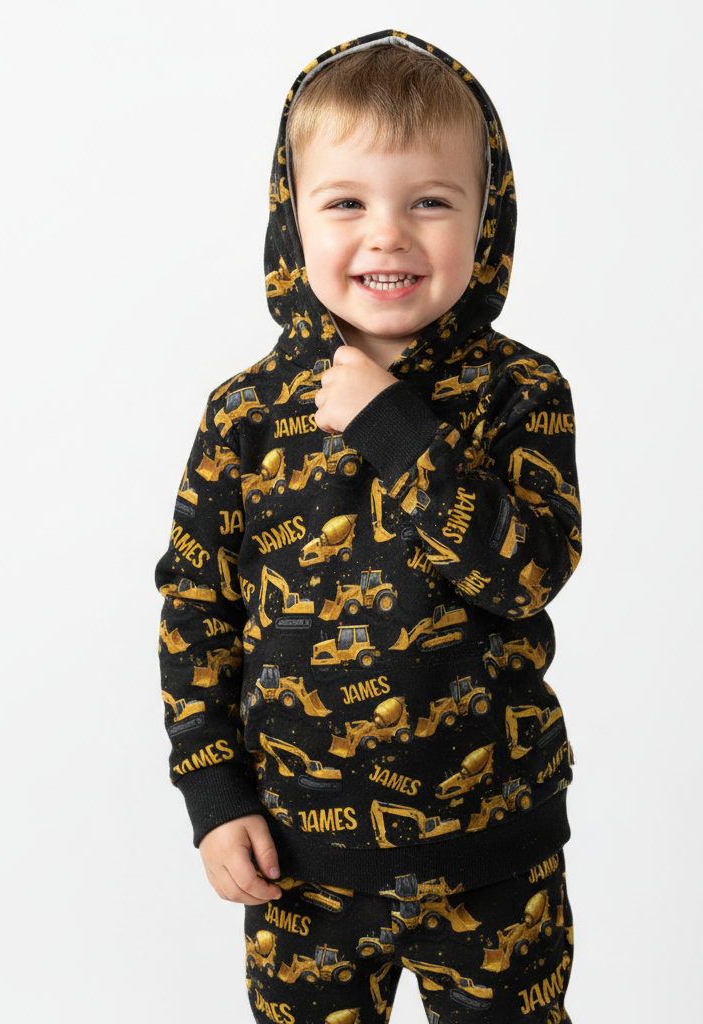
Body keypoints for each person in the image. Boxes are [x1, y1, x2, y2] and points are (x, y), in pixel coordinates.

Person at [156, 30, 581, 1021]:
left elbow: (525, 574)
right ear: (290, 216)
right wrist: (214, 794)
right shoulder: (245, 413)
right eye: (346, 203)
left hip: (493, 851)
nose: (387, 235)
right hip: (302, 862)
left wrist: (397, 428)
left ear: (486, 218)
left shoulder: (521, 392)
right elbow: (196, 609)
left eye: (429, 201)